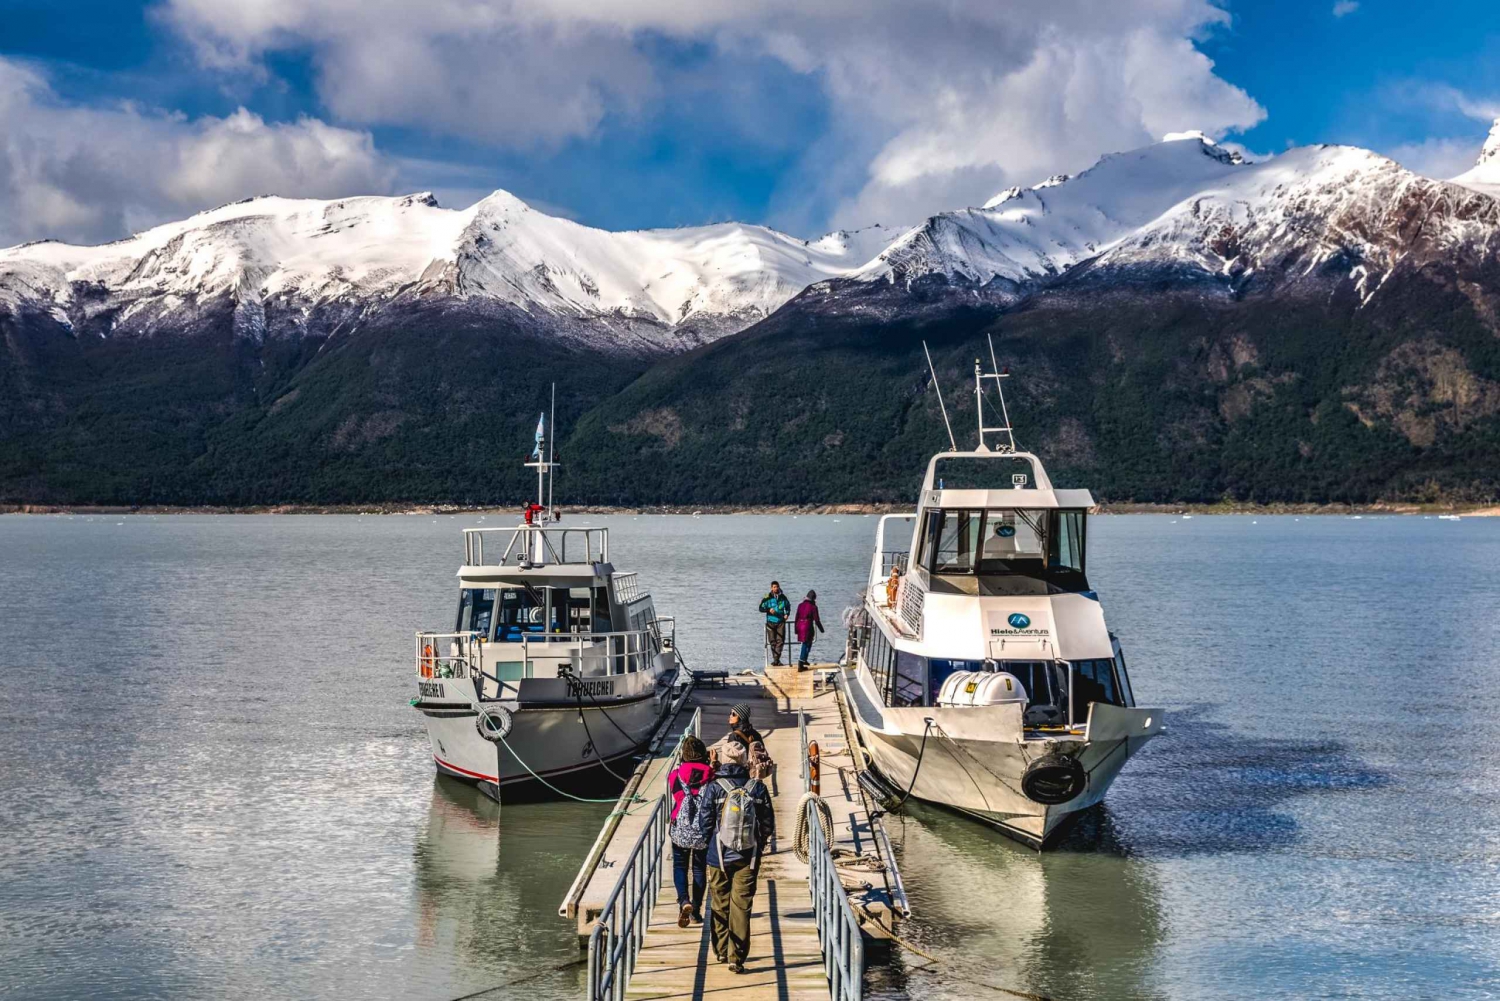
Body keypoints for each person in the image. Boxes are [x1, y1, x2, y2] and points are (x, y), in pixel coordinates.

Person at [696, 739, 775, 973]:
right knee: (741, 907)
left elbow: (704, 823)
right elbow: (768, 823)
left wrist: (710, 844)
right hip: (748, 857)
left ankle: (720, 950)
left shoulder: (714, 787)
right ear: (744, 761)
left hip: (718, 856)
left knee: (719, 904)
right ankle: (736, 957)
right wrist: (758, 847)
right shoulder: (757, 787)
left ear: (724, 759)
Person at [666, 735, 714, 927]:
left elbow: (677, 795)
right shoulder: (711, 775)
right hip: (702, 830)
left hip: (681, 830)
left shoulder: (675, 775)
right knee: (699, 868)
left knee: (680, 866)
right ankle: (696, 910)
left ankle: (683, 902)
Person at [758, 581, 791, 665]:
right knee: (772, 641)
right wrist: (768, 610)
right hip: (770, 622)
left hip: (780, 622)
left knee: (781, 641)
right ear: (771, 588)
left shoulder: (783, 597)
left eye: (777, 587)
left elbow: (788, 606)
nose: (776, 588)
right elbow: (760, 608)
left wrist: (787, 614)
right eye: (774, 587)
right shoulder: (767, 597)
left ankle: (776, 660)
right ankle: (776, 660)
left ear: (779, 587)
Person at [794, 590, 824, 670]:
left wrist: (795, 629)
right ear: (813, 599)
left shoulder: (800, 605)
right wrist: (821, 629)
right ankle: (801, 662)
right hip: (808, 627)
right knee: (806, 644)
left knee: (807, 643)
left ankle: (804, 660)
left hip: (800, 626)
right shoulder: (813, 607)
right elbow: (817, 620)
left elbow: (796, 617)